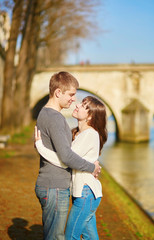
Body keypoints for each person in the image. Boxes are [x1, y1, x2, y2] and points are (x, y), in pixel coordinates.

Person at [34, 72, 101, 240]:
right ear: (58, 93)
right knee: (57, 236)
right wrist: (92, 166)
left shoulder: (46, 114)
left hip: (53, 186)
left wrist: (41, 147)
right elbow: (66, 157)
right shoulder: (55, 118)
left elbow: (64, 154)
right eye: (71, 94)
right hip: (55, 187)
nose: (74, 99)